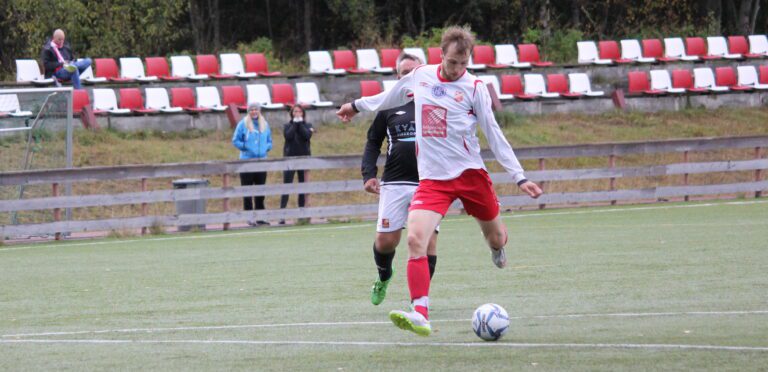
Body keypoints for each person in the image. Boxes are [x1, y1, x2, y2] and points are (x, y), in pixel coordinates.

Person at [337, 26, 543, 336]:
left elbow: (494, 134)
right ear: (441, 56)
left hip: (470, 175)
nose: (458, 69)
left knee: (496, 238)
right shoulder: (421, 76)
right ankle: (419, 311)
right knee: (415, 240)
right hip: (433, 179)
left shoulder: (474, 88)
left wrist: (519, 176)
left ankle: (498, 247)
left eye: (463, 63)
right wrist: (356, 106)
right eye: (452, 63)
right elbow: (388, 96)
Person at [362, 52, 438, 306]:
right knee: (385, 243)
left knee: (426, 244)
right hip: (394, 182)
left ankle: (419, 300)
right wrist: (369, 174)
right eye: (404, 72)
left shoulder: (435, 102)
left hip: (428, 183)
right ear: (398, 76)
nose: (409, 76)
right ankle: (384, 275)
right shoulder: (388, 104)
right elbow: (373, 141)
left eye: (414, 71)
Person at [232, 102, 273, 226]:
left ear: (259, 111)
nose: (254, 112)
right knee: (247, 190)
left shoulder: (264, 124)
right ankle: (249, 217)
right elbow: (235, 140)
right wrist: (245, 147)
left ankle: (260, 217)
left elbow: (269, 141)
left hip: (261, 161)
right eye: (251, 110)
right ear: (248, 111)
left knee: (260, 190)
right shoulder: (242, 124)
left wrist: (266, 148)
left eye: (256, 109)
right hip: (247, 161)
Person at [279, 105, 314, 224]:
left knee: (302, 187)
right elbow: (288, 136)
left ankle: (301, 214)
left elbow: (307, 136)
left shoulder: (308, 126)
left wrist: (300, 124)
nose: (297, 113)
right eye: (295, 111)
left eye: (299, 111)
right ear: (292, 113)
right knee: (286, 186)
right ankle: (282, 214)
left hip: (304, 159)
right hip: (290, 160)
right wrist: (295, 124)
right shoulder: (287, 126)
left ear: (303, 113)